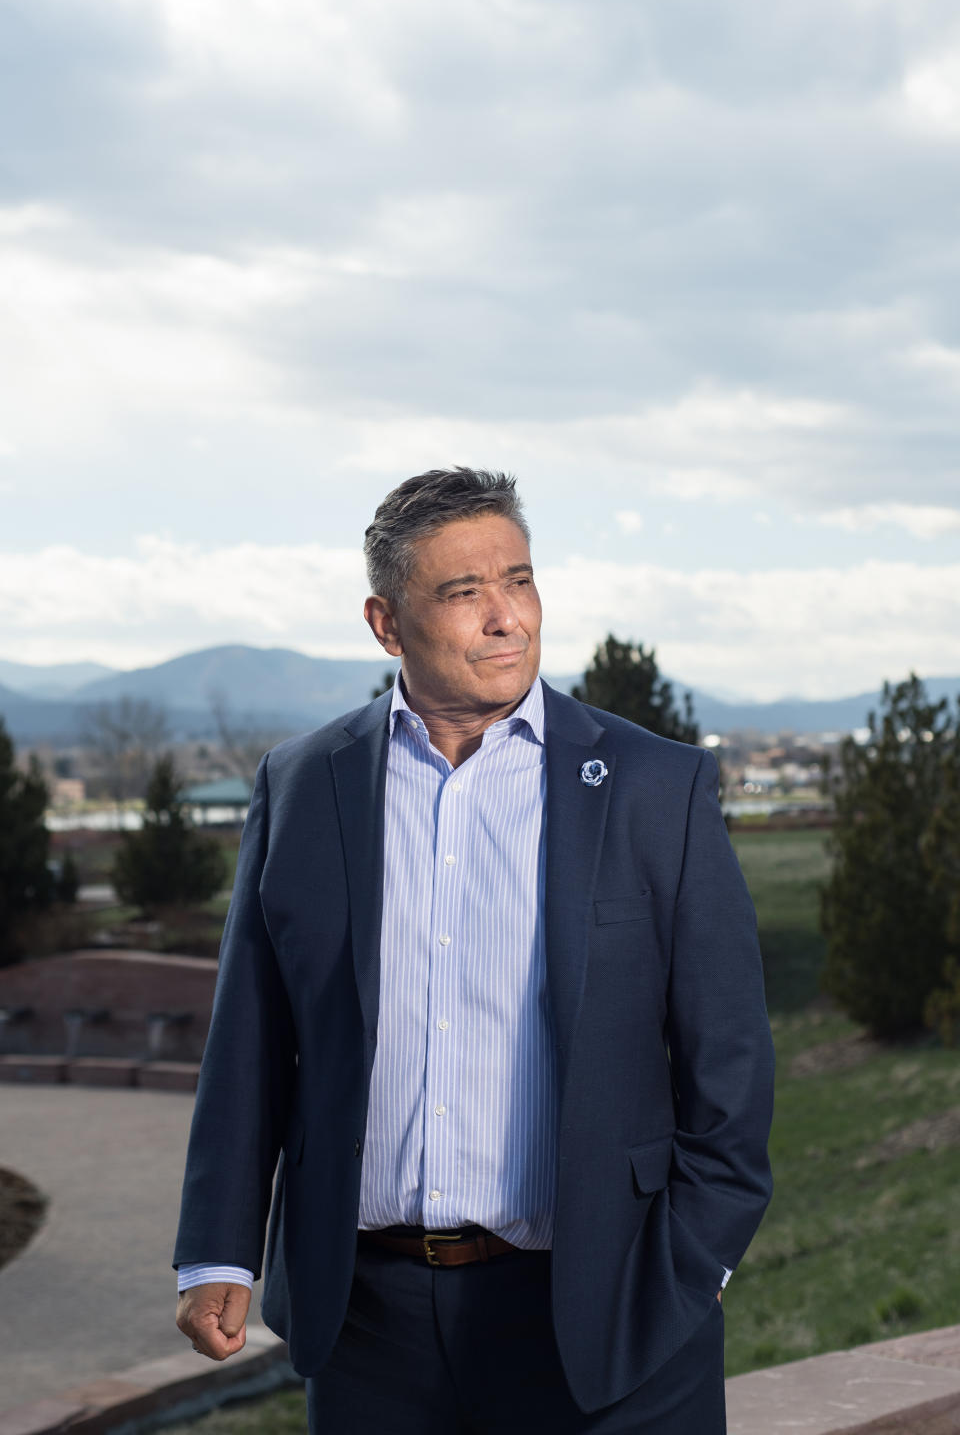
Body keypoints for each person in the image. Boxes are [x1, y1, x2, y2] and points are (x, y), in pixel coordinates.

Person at [174, 467, 774, 1434]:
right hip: (369, 1326)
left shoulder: (657, 789)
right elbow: (249, 1040)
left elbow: (730, 1061)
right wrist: (217, 1253)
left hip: (606, 1307)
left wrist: (693, 1260)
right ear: (386, 622)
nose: (508, 618)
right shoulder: (303, 785)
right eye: (465, 592)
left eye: (520, 580)